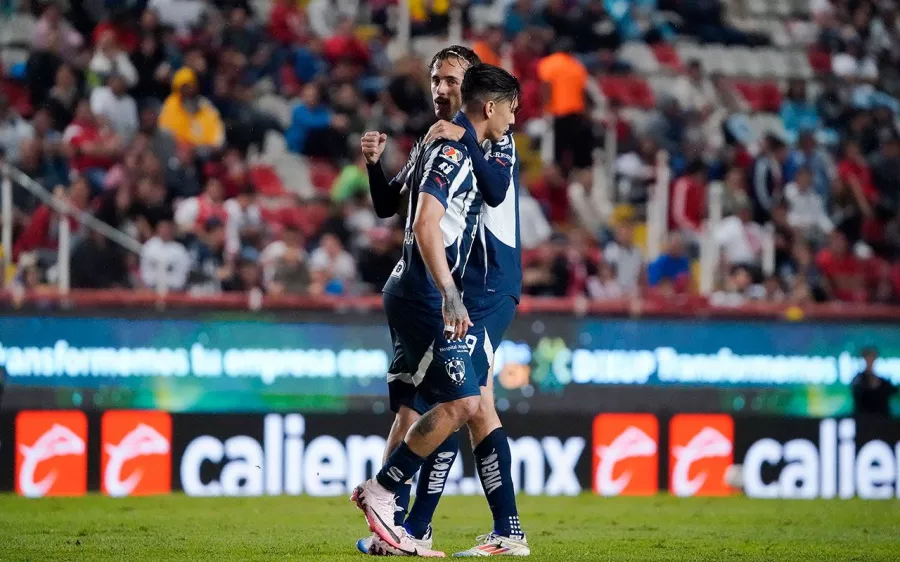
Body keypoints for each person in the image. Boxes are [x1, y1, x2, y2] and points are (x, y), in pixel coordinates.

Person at [352, 63, 526, 557]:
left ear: (473, 90)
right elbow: (405, 210)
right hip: (438, 286)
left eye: (451, 80)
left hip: (485, 286)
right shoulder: (437, 142)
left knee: (462, 402)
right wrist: (375, 165)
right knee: (449, 403)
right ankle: (399, 513)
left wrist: (466, 135)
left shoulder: (487, 141)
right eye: (436, 80)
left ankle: (413, 521)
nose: (441, 89)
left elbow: (493, 189)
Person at [851, 347, 897, 417]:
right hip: (864, 419)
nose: (870, 360)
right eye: (868, 357)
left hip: (883, 419)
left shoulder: (883, 380)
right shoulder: (858, 380)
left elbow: (892, 391)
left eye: (873, 357)